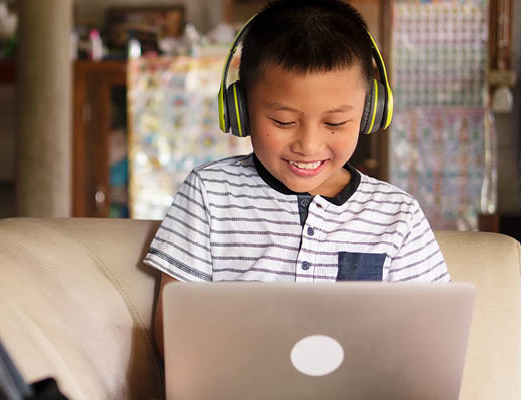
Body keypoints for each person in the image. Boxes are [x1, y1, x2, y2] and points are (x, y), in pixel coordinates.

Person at [143, 0, 451, 357]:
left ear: (370, 112)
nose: (308, 145)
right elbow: (174, 329)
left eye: (335, 123)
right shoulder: (209, 194)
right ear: (240, 109)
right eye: (283, 122)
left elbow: (430, 342)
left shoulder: (399, 215)